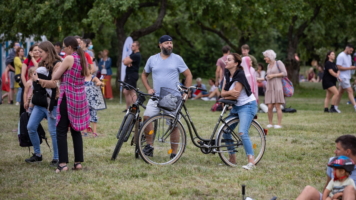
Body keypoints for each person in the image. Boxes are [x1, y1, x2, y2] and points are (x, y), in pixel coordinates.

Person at [141, 35, 192, 158]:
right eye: (166, 43)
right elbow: (144, 75)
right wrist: (149, 88)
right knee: (147, 117)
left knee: (173, 124)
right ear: (160, 45)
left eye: (171, 43)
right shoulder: (152, 59)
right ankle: (149, 146)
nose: (169, 45)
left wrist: (186, 91)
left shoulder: (177, 59)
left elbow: (188, 75)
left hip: (172, 98)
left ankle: (173, 153)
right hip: (156, 97)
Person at [52, 36, 90, 173]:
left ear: (69, 47)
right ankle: (78, 162)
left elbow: (55, 76)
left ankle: (62, 164)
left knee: (61, 130)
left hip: (68, 97)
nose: (63, 49)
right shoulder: (83, 58)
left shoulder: (69, 58)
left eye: (64, 47)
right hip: (80, 98)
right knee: (76, 130)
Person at [24, 41, 61, 167]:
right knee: (31, 127)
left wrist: (38, 80)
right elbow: (35, 86)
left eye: (41, 52)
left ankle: (56, 158)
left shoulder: (57, 64)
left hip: (52, 103)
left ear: (48, 51)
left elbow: (55, 83)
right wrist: (29, 101)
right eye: (37, 51)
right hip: (39, 103)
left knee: (53, 132)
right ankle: (37, 154)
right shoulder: (41, 63)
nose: (38, 54)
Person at [221, 53, 258, 170]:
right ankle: (232, 159)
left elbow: (235, 95)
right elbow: (222, 92)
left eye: (229, 60)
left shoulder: (240, 75)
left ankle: (251, 162)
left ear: (236, 63)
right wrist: (228, 93)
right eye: (226, 60)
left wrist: (226, 94)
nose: (226, 61)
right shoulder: (227, 73)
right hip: (236, 106)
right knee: (226, 130)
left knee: (242, 132)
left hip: (247, 105)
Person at [296, 135, 356, 200]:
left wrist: (340, 195)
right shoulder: (333, 162)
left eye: (338, 149)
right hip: (331, 197)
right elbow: (328, 185)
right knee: (308, 190)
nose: (335, 151)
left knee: (349, 189)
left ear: (348, 152)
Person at [263, 50, 287, 129]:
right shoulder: (268, 66)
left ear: (270, 57)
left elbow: (284, 73)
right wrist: (267, 77)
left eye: (265, 57)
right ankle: (270, 123)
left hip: (277, 86)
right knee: (269, 106)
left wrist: (273, 75)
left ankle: (279, 124)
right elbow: (268, 75)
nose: (264, 58)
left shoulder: (278, 63)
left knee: (277, 106)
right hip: (270, 87)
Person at [334, 44, 356, 112]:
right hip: (342, 77)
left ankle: (335, 107)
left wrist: (352, 67)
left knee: (340, 92)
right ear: (347, 48)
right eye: (350, 50)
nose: (351, 52)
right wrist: (350, 67)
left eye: (352, 51)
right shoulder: (341, 55)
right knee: (350, 91)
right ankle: (355, 106)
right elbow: (339, 67)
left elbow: (348, 65)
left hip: (347, 76)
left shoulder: (349, 56)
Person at [83, 67, 104, 137]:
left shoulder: (93, 78)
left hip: (92, 101)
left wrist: (99, 83)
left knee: (94, 116)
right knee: (85, 116)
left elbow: (101, 82)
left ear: (90, 70)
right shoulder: (82, 78)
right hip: (84, 101)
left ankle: (94, 132)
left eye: (87, 70)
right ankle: (85, 131)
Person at [21, 44, 41, 117]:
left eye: (38, 50)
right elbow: (22, 74)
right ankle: (23, 123)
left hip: (37, 85)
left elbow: (37, 67)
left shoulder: (41, 60)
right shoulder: (27, 60)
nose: (37, 52)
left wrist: (32, 57)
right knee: (24, 105)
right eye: (35, 50)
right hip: (27, 84)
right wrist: (25, 84)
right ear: (31, 51)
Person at [122, 41, 142, 112]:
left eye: (133, 46)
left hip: (132, 75)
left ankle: (135, 108)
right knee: (126, 92)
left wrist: (127, 61)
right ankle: (128, 108)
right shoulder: (132, 54)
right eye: (131, 45)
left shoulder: (136, 55)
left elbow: (125, 62)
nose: (131, 47)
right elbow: (124, 60)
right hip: (129, 75)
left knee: (132, 92)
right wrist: (127, 61)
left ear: (137, 47)